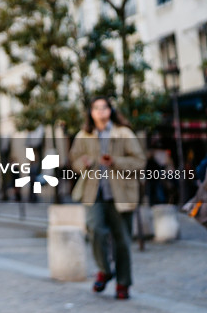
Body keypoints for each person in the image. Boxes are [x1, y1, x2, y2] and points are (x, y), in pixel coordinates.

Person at [69, 97, 144, 300]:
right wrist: (82, 163)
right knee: (95, 230)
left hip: (121, 193)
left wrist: (115, 161)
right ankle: (104, 270)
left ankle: (123, 284)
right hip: (94, 193)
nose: (101, 111)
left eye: (104, 107)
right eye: (96, 108)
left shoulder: (123, 133)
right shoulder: (84, 135)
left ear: (111, 110)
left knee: (122, 240)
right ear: (91, 112)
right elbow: (74, 159)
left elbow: (139, 161)